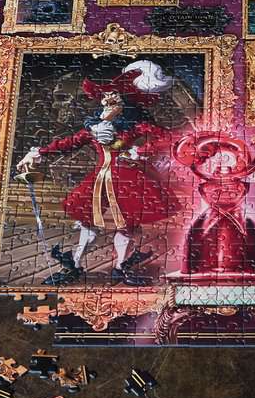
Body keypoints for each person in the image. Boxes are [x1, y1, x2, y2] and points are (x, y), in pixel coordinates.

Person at [15, 60, 179, 286]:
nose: (107, 101)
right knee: (87, 223)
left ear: (124, 101)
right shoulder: (93, 127)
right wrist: (37, 153)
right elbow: (69, 143)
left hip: (128, 180)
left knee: (127, 226)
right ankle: (74, 265)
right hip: (100, 178)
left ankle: (121, 267)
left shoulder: (135, 125)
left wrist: (140, 151)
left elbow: (168, 138)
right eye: (105, 97)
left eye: (113, 97)